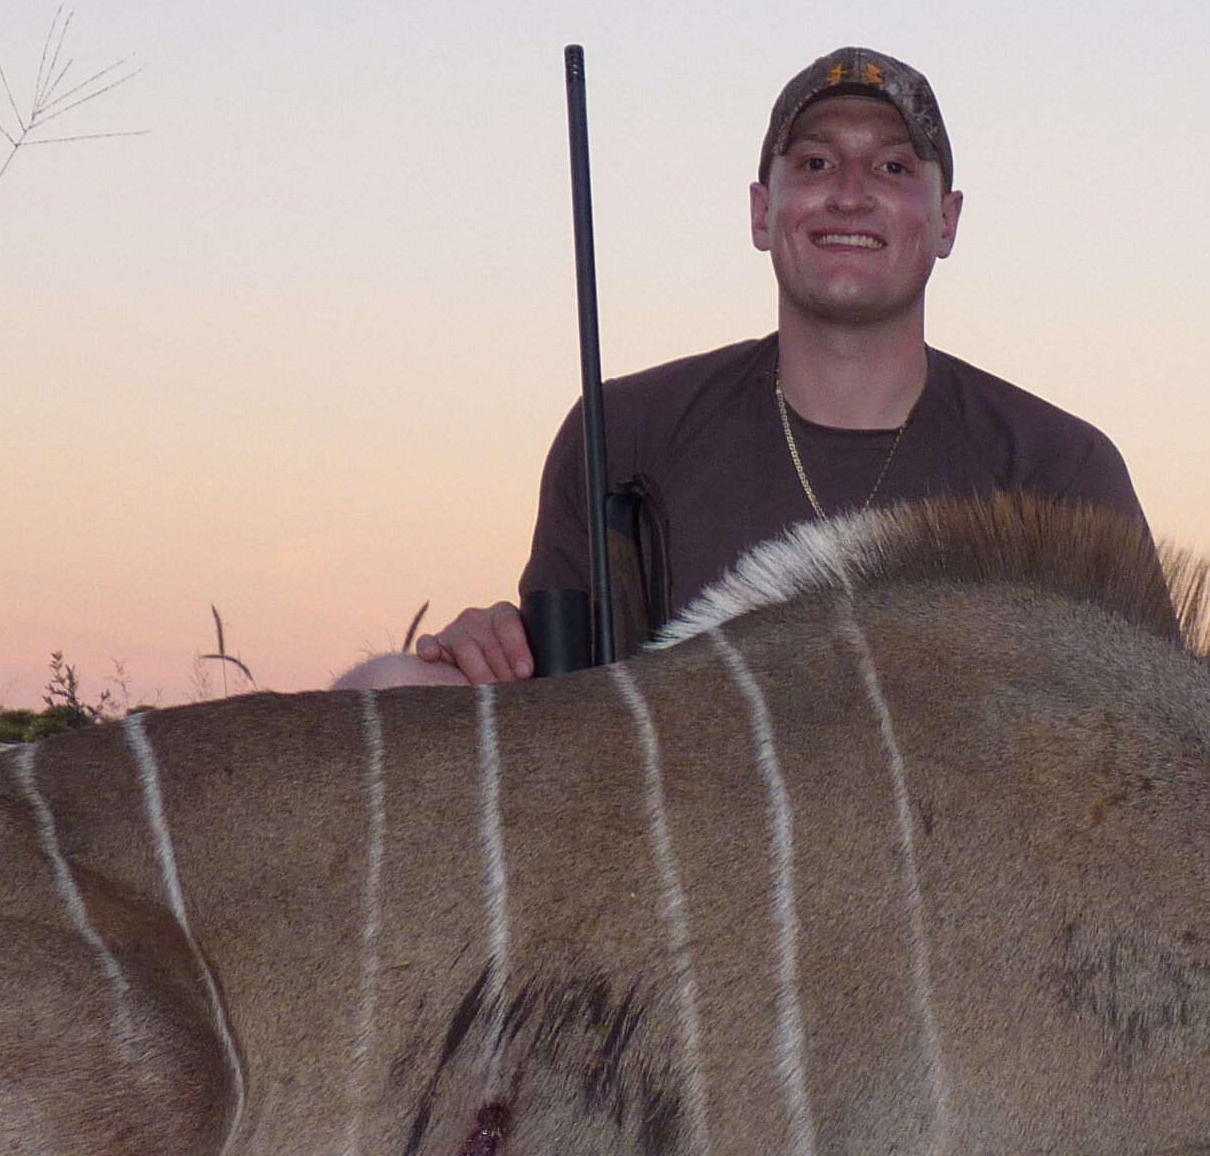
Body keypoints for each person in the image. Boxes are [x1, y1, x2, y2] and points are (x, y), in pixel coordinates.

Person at [342, 48, 1142, 688]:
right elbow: (556, 702)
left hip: (954, 875)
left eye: (893, 169)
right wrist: (484, 649)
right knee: (390, 687)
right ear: (764, 212)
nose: (851, 195)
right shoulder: (623, 434)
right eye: (817, 164)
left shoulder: (1057, 469)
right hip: (688, 872)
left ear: (947, 220)